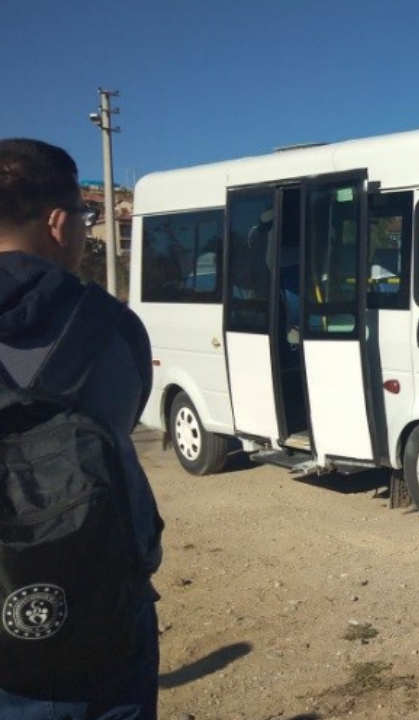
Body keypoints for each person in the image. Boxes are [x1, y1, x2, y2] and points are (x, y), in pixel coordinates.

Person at [0, 139, 163, 716]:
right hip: (104, 609)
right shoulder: (113, 327)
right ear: (58, 222)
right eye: (87, 218)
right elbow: (125, 415)